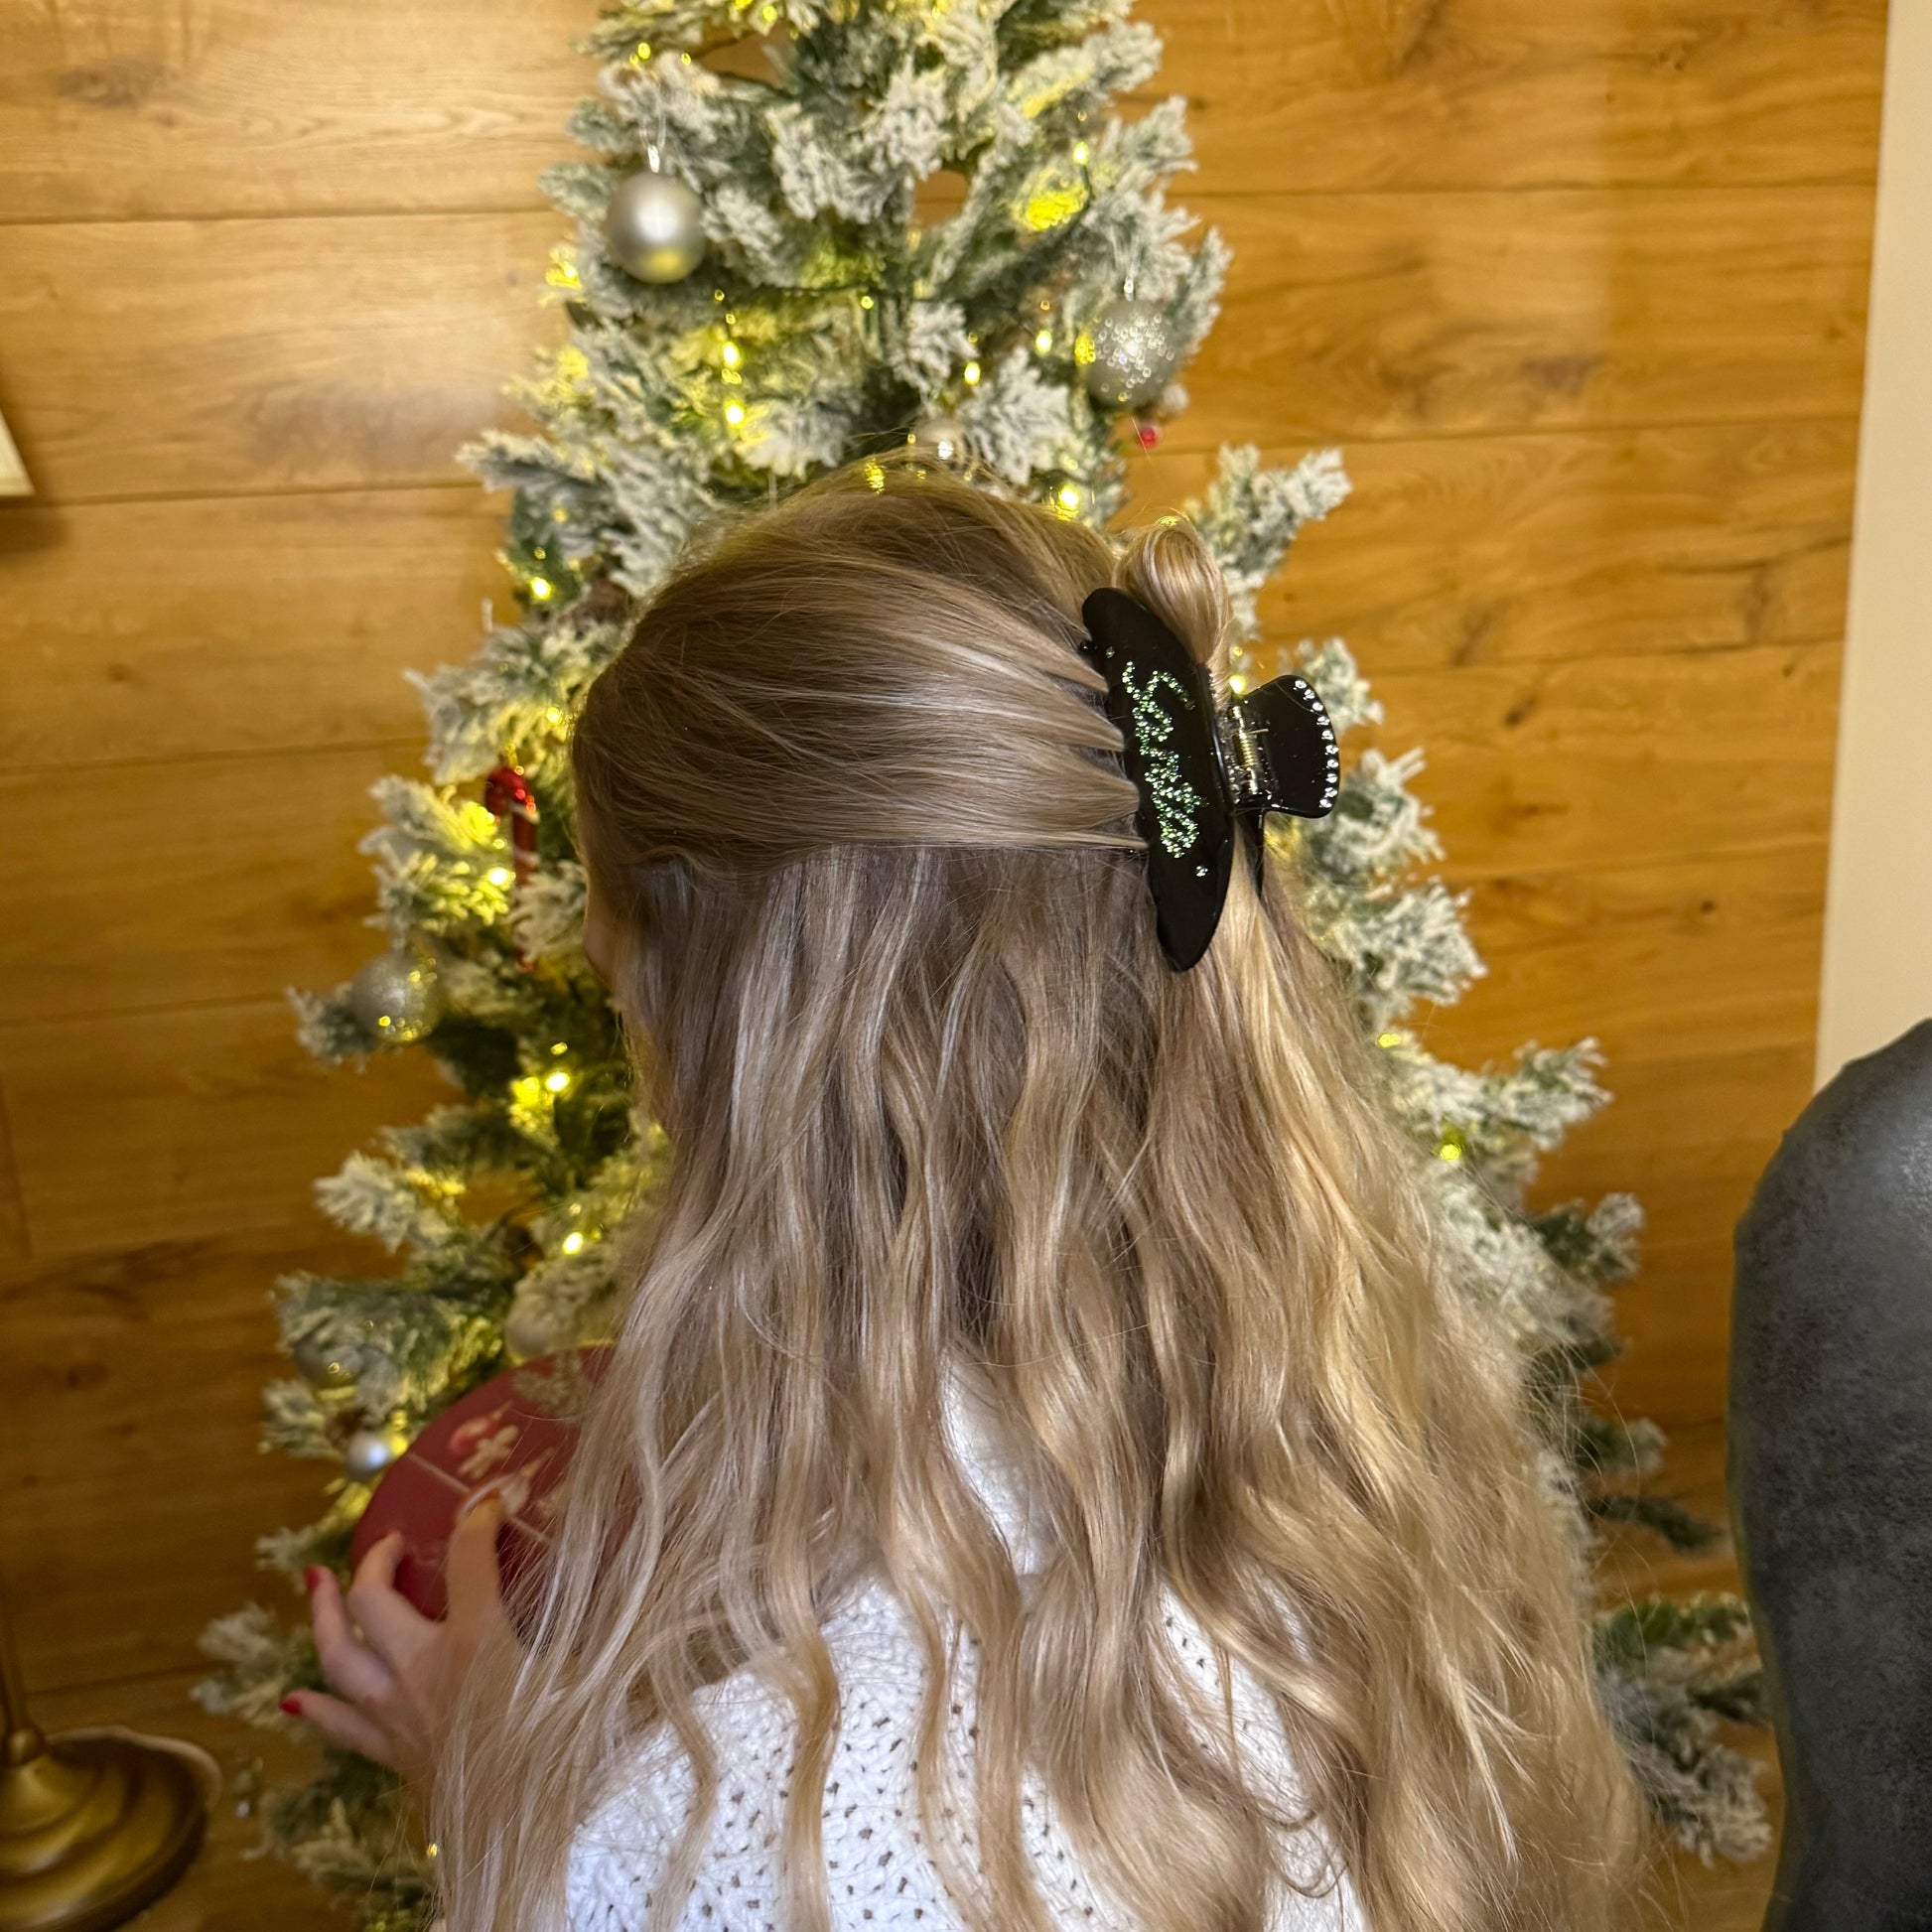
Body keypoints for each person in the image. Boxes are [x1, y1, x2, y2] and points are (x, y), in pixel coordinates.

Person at [288, 460, 1648, 1932]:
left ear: (754, 1066)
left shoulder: (730, 1837)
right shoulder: (1364, 1486)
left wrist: (508, 1801)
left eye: (629, 1009)